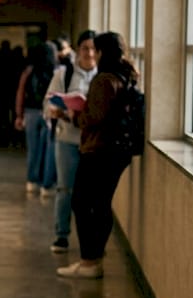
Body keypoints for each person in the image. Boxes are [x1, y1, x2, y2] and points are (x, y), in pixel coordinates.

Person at [57, 31, 139, 279]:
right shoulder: (126, 76)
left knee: (84, 203)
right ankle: (93, 260)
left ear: (103, 52)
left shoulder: (104, 80)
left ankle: (89, 261)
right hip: (116, 150)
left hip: (99, 150)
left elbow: (94, 117)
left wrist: (75, 114)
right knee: (99, 204)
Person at [47, 30, 99, 253]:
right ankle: (61, 235)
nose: (89, 53)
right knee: (65, 189)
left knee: (91, 193)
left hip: (93, 143)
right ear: (77, 50)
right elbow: (49, 103)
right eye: (85, 48)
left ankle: (90, 240)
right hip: (67, 139)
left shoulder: (102, 77)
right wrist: (58, 111)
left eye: (93, 48)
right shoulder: (64, 75)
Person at [15, 42, 59, 196]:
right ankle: (46, 183)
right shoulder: (57, 72)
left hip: (31, 112)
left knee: (33, 149)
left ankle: (32, 180)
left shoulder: (29, 71)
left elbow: (21, 93)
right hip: (51, 113)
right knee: (49, 149)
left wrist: (19, 115)